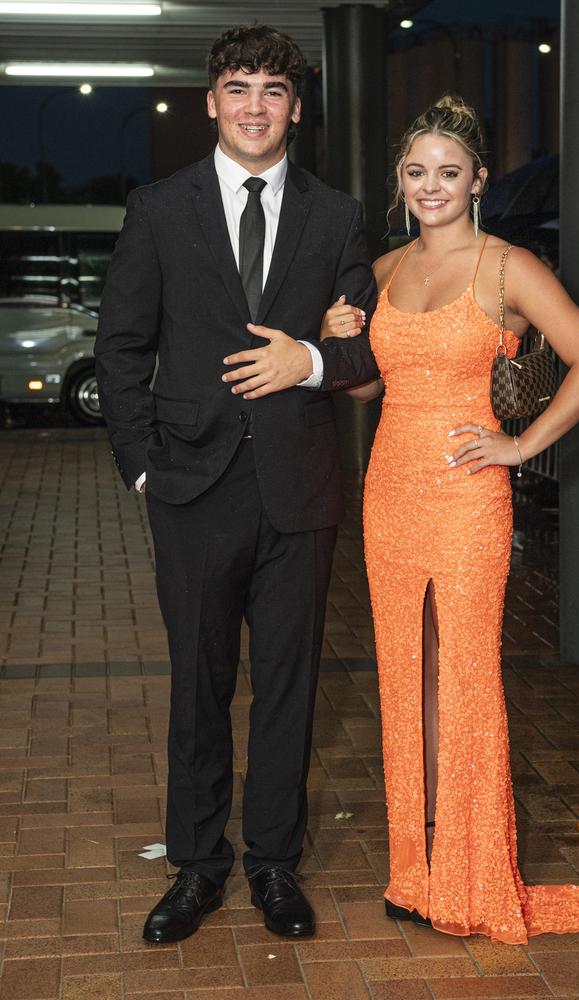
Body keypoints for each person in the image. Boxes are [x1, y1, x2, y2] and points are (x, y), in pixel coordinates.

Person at [320, 95, 579, 944]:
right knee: (405, 675)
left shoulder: (510, 269)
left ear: (477, 183)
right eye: (417, 172)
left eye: (449, 174)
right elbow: (364, 388)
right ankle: (412, 871)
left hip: (468, 498)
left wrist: (517, 444)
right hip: (388, 494)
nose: (432, 187)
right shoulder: (385, 271)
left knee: (465, 678)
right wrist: (335, 335)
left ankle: (472, 869)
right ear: (401, 181)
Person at [95, 24, 378, 944]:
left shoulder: (339, 217)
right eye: (238, 88)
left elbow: (366, 348)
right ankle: (197, 866)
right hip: (190, 486)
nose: (256, 106)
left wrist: (308, 361)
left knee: (291, 683)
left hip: (299, 488)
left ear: (297, 107)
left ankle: (272, 863)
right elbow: (123, 347)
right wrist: (142, 464)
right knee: (200, 681)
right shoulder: (159, 209)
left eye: (273, 89)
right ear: (212, 102)